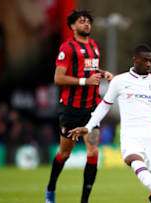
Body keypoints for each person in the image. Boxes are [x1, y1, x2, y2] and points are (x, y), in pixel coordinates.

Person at [69, 44, 151, 203]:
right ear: (135, 60)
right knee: (134, 160)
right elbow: (104, 106)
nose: (148, 64)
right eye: (145, 60)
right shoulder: (119, 81)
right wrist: (88, 127)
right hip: (130, 135)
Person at [45, 10, 113, 203]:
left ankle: (84, 200)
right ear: (72, 26)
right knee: (64, 153)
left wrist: (103, 73)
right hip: (71, 109)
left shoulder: (94, 46)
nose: (86, 24)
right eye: (81, 21)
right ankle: (51, 188)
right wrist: (85, 81)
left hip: (92, 109)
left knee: (93, 152)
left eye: (88, 21)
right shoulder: (67, 48)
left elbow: (90, 70)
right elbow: (58, 78)